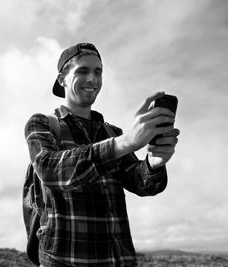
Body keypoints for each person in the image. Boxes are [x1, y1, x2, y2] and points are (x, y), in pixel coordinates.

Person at [24, 43, 180, 266]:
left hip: (118, 259)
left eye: (98, 72)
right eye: (82, 71)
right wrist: (125, 142)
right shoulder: (42, 124)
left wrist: (154, 163)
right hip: (65, 260)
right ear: (62, 80)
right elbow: (49, 170)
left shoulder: (112, 133)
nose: (92, 79)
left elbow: (142, 183)